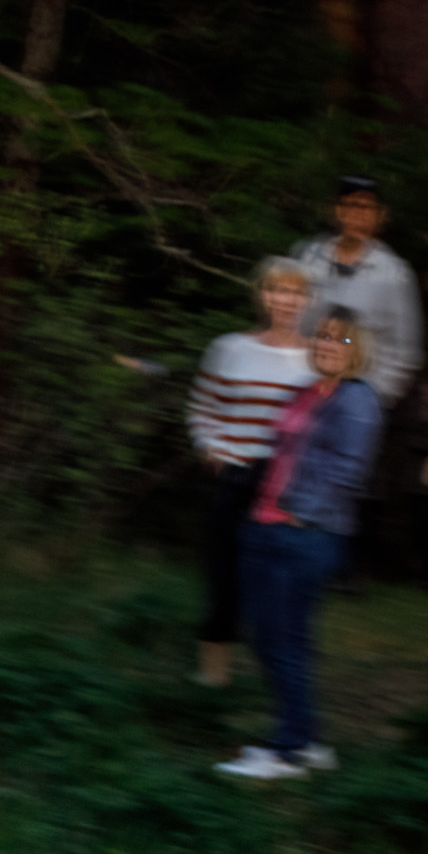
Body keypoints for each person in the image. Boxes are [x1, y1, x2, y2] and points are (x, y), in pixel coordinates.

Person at [215, 309, 384, 781]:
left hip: (305, 534)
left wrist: (298, 513)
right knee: (274, 637)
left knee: (281, 640)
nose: (328, 344)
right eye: (323, 336)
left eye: (342, 340)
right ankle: (307, 742)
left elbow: (348, 472)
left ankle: (286, 751)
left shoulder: (357, 400)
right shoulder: (307, 391)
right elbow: (282, 452)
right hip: (266, 525)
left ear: (357, 350)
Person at [186, 261, 314, 686]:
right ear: (262, 296)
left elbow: (329, 413)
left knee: (276, 584)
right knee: (223, 577)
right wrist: (210, 449)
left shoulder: (319, 355)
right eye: (277, 290)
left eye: (296, 292)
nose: (286, 300)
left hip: (284, 486)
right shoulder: (229, 348)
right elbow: (201, 406)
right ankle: (213, 679)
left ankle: (273, 676)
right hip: (234, 475)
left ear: (307, 300)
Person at [289, 177, 423, 408]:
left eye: (367, 207)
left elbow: (405, 350)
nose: (359, 214)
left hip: (358, 396)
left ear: (381, 215)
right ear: (337, 210)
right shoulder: (308, 257)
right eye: (352, 205)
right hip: (303, 388)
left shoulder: (394, 273)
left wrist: (374, 396)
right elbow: (287, 319)